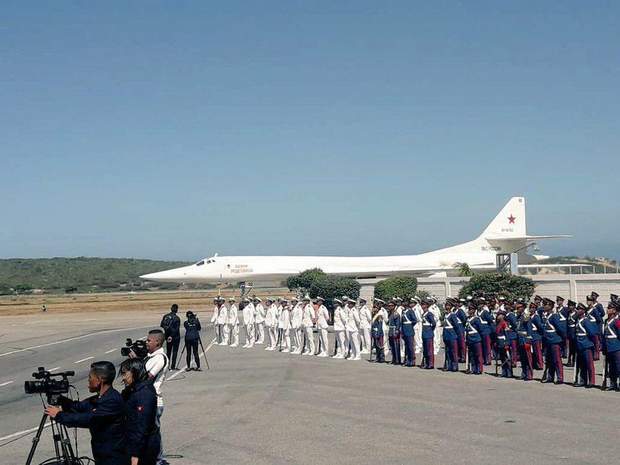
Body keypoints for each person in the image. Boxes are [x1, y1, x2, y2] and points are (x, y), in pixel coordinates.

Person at [44, 361, 126, 465]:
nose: (88, 380)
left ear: (99, 380)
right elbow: (77, 407)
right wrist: (60, 399)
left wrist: (59, 415)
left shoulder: (112, 400)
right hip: (102, 455)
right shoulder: (98, 399)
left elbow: (89, 419)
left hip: (114, 458)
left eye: (90, 377)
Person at [119, 358, 160, 465]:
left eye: (124, 374)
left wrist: (135, 455)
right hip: (133, 442)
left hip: (144, 448)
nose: (123, 378)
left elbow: (142, 427)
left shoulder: (144, 394)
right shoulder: (131, 390)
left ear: (134, 372)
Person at [143, 329, 168, 465]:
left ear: (157, 342)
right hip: (147, 400)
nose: (146, 343)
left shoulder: (160, 358)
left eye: (149, 340)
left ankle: (158, 460)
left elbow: (147, 378)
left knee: (153, 433)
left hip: (154, 401)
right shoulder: (151, 357)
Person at [541, 298, 565, 384]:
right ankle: (550, 377)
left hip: (555, 340)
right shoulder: (546, 316)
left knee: (557, 360)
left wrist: (561, 339)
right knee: (549, 360)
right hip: (548, 341)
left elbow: (560, 329)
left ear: (550, 306)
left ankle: (560, 378)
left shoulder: (554, 316)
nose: (543, 306)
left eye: (545, 305)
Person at [575, 303, 597, 388]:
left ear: (583, 311)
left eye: (579, 309)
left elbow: (592, 333)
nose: (577, 310)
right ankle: (582, 380)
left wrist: (591, 344)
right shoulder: (577, 320)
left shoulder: (586, 320)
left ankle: (591, 381)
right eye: (577, 309)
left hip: (586, 345)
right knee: (581, 365)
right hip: (579, 345)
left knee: (589, 364)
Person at [602, 300, 620, 391]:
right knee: (611, 367)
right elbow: (604, 334)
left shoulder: (617, 321)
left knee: (618, 366)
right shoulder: (606, 321)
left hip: (616, 346)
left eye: (609, 308)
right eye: (608, 308)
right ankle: (613, 384)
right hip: (608, 347)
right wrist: (603, 347)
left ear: (614, 310)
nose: (607, 309)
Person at [160, 304, 180, 370]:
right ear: (176, 310)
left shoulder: (166, 316)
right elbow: (176, 329)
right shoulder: (177, 318)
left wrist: (167, 331)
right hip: (175, 337)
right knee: (175, 351)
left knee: (168, 351)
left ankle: (167, 365)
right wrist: (171, 335)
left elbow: (162, 325)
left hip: (168, 336)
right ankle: (173, 366)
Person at [465, 303, 484, 375]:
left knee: (478, 355)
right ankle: (473, 368)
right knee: (471, 355)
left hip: (476, 339)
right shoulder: (467, 319)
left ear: (474, 310)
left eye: (471, 309)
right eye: (469, 309)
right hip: (469, 339)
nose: (469, 311)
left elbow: (481, 329)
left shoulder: (477, 319)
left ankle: (479, 369)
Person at [442, 298, 460, 372]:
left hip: (452, 335)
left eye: (448, 305)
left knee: (453, 351)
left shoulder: (453, 315)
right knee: (447, 351)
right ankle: (448, 365)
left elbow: (456, 326)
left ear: (451, 307)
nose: (447, 307)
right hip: (446, 335)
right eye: (446, 305)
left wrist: (456, 335)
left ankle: (454, 366)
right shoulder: (445, 315)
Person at [495, 309, 513, 378]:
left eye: (499, 315)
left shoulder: (504, 323)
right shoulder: (498, 323)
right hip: (500, 342)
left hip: (504, 341)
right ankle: (504, 372)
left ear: (503, 316)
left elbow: (507, 334)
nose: (498, 316)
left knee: (507, 358)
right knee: (502, 358)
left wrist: (507, 343)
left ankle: (509, 372)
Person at [401, 299, 418, 367]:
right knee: (406, 346)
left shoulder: (410, 311)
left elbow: (414, 320)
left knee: (410, 346)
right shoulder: (403, 311)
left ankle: (412, 360)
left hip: (409, 330)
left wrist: (410, 326)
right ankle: (406, 360)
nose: (404, 303)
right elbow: (402, 322)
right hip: (404, 330)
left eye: (405, 302)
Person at [420, 300, 436, 369]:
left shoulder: (429, 314)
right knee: (425, 349)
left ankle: (430, 364)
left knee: (429, 349)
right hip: (424, 333)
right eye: (422, 305)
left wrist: (430, 330)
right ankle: (426, 363)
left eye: (424, 305)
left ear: (427, 306)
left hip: (428, 333)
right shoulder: (423, 314)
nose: (423, 306)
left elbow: (434, 323)